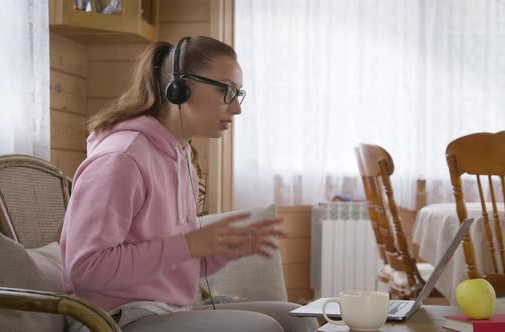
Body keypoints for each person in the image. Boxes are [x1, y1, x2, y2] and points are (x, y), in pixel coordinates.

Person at [61, 36, 318, 332]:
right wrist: (187, 245)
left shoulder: (182, 159)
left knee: (298, 317)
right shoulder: (122, 159)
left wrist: (221, 248)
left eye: (239, 93)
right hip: (112, 319)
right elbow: (85, 270)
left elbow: (171, 263)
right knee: (263, 328)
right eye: (227, 91)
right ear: (179, 89)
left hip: (164, 309)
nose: (236, 108)